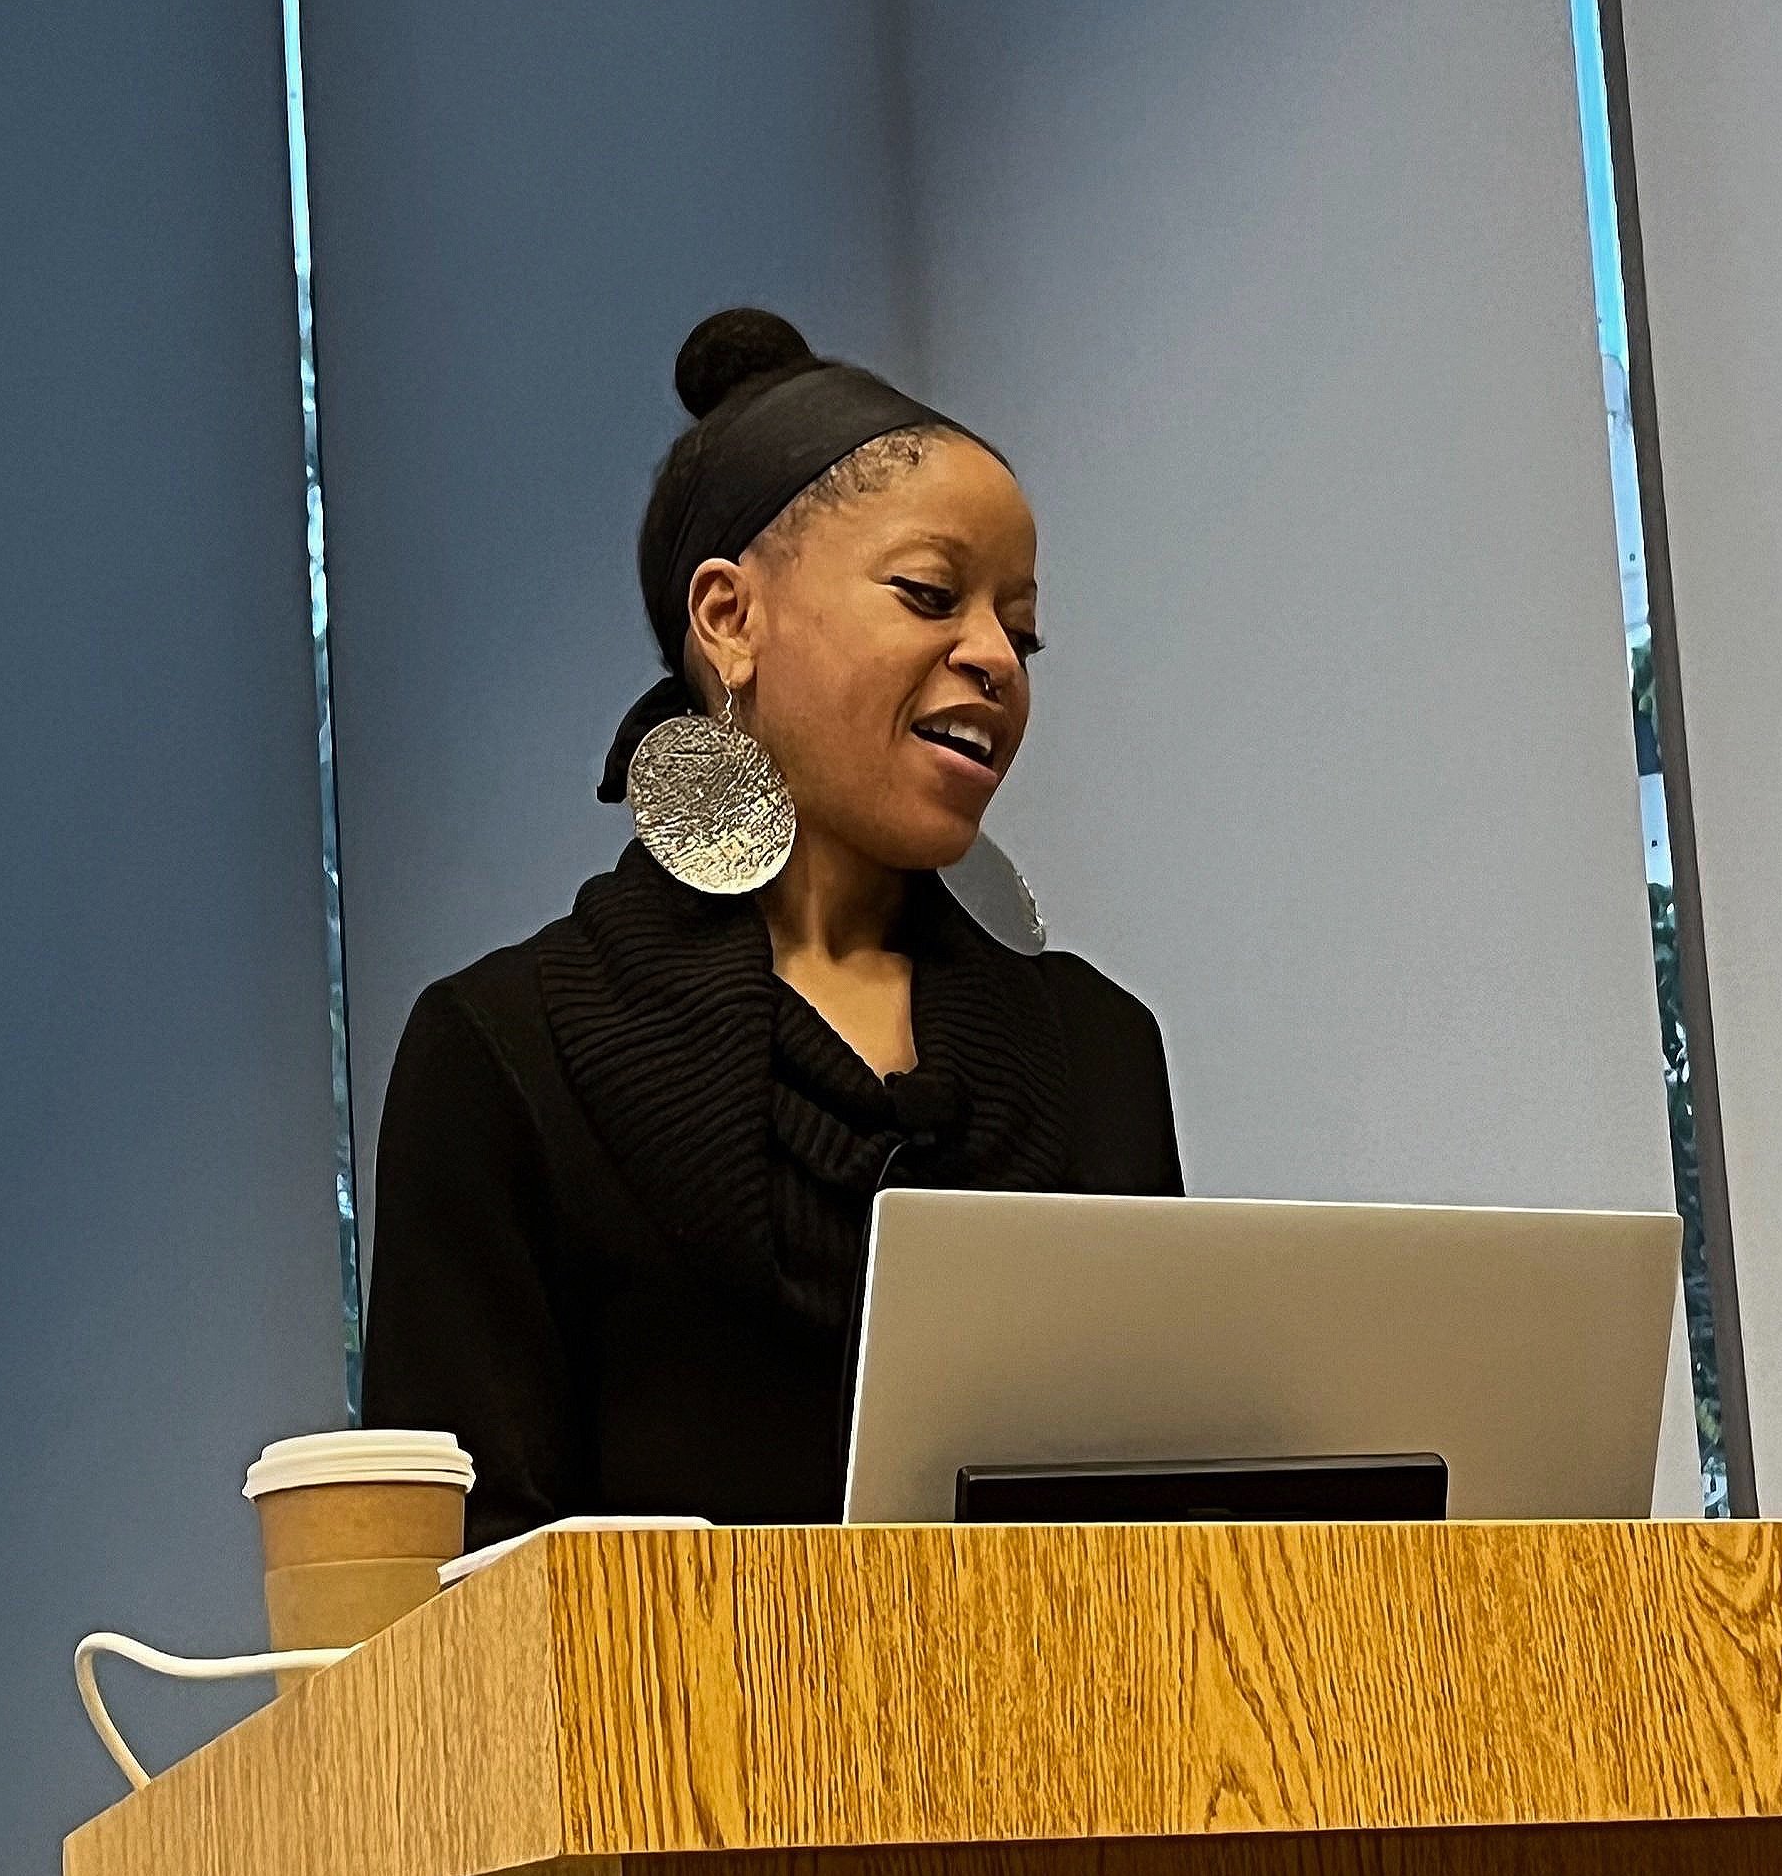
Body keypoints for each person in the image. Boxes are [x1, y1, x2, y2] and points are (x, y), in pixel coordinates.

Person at [362, 308, 1182, 1547]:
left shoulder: (1101, 1050)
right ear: (729, 618)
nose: (996, 659)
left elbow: (1171, 1540)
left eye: (1021, 628)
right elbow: (450, 1623)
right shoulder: (502, 1052)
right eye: (928, 594)